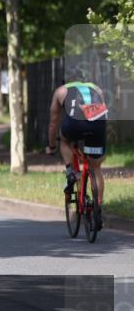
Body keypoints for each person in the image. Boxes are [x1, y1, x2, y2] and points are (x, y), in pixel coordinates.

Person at [45, 66, 108, 231]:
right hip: (97, 125)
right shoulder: (97, 89)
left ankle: (70, 171)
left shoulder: (61, 91)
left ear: (65, 80)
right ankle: (98, 207)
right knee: (96, 167)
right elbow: (103, 113)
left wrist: (51, 146)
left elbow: (53, 122)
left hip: (73, 125)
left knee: (64, 140)